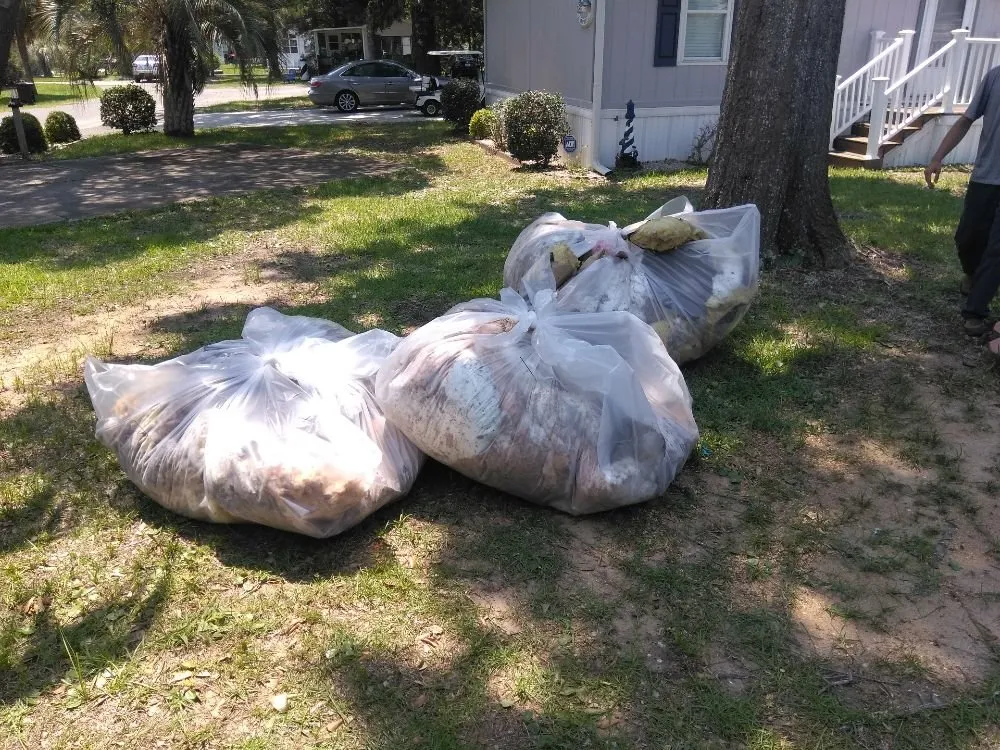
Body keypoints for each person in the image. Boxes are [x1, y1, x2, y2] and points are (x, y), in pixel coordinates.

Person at [926, 65, 1000, 336]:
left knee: (997, 249)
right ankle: (972, 274)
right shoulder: (995, 76)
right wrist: (938, 157)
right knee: (967, 237)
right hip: (985, 176)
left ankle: (975, 311)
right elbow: (966, 120)